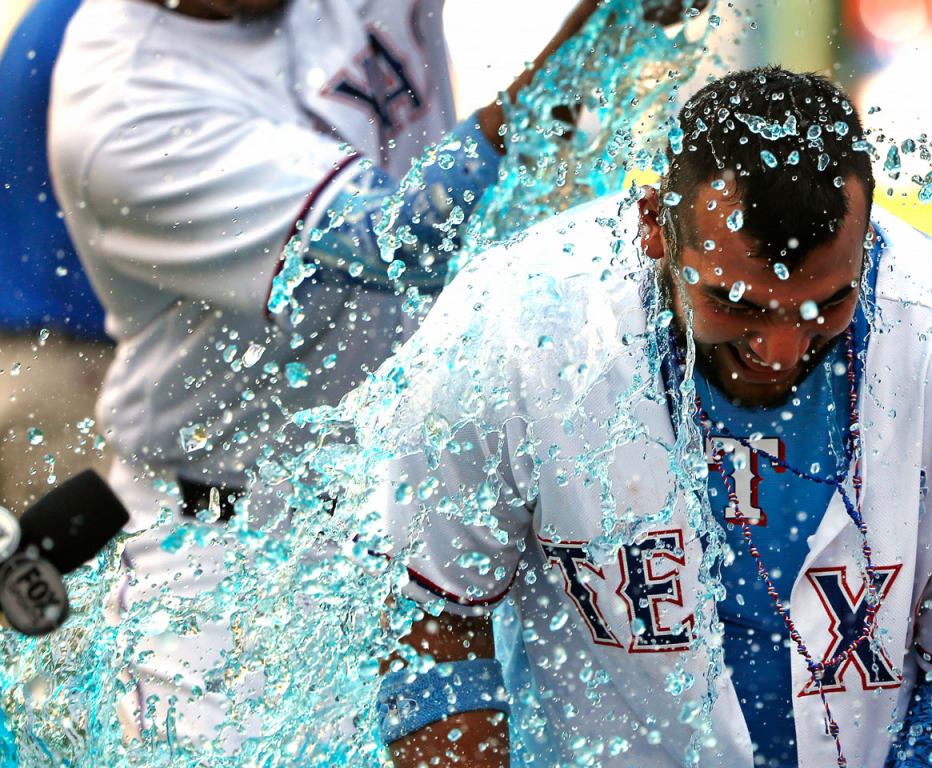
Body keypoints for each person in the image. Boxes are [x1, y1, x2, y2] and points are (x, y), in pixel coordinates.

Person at [363, 67, 932, 767]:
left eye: (826, 305)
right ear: (655, 225)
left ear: (868, 239)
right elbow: (430, 629)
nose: (781, 349)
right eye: (735, 304)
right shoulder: (511, 335)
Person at [45, 0, 684, 752]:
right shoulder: (122, 100)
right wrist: (601, 31)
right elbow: (402, 235)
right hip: (228, 565)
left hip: (425, 514)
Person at [0, 0, 112, 511]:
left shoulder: (52, 18)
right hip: (70, 368)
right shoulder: (103, 34)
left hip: (28, 357)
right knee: (73, 588)